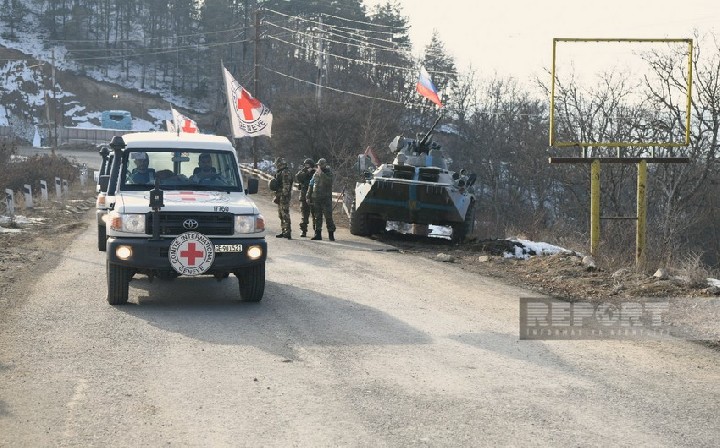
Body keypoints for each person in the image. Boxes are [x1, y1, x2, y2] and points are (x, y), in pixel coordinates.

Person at [308, 158, 336, 241]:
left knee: (328, 217)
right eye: (318, 165)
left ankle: (331, 234)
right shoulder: (316, 174)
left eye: (320, 165)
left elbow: (329, 182)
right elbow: (311, 184)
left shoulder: (329, 173)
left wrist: (321, 174)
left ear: (324, 165)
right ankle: (318, 234)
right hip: (317, 198)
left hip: (326, 199)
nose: (319, 166)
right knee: (317, 217)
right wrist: (308, 196)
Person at [295, 158, 316, 237]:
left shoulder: (315, 172)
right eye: (306, 165)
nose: (307, 166)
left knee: (315, 215)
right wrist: (307, 172)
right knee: (304, 215)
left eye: (308, 165)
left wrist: (313, 171)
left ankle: (316, 231)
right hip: (304, 196)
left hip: (313, 196)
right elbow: (298, 177)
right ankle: (303, 231)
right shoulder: (303, 171)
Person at [273, 157, 293, 239]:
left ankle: (288, 231)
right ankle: (283, 230)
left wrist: (283, 195)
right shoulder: (280, 172)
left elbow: (286, 185)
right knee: (281, 214)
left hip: (284, 196)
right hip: (279, 195)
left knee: (285, 214)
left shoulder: (285, 172)